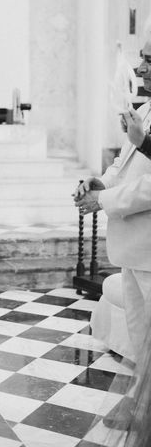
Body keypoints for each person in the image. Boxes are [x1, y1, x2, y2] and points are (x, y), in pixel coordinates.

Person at [74, 40, 151, 364]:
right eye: (142, 59)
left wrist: (102, 200)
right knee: (141, 340)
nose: (141, 68)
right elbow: (124, 163)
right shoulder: (145, 110)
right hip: (131, 248)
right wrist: (101, 181)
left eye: (149, 60)